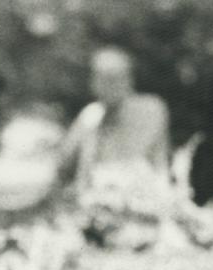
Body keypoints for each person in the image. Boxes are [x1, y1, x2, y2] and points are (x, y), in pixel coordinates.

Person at [55, 45, 172, 189]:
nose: (109, 87)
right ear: (93, 83)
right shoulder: (91, 115)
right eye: (102, 79)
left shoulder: (152, 109)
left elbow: (157, 164)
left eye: (115, 79)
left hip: (143, 196)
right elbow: (62, 163)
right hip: (95, 198)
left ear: (129, 79)